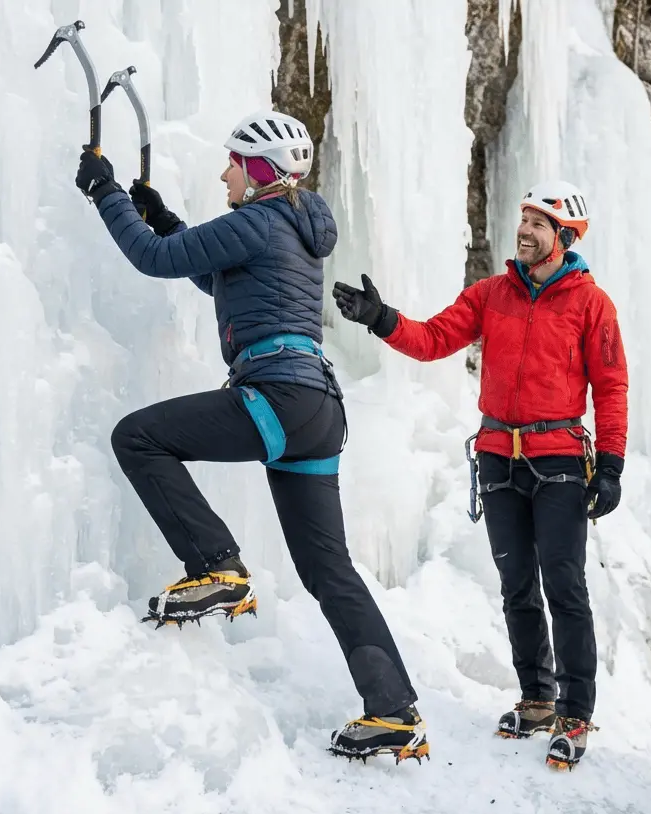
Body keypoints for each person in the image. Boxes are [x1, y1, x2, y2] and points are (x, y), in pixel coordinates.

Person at [72, 110, 427, 763]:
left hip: (278, 398)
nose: (222, 172)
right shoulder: (287, 226)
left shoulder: (258, 219)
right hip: (317, 411)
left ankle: (217, 567)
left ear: (259, 170)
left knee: (137, 438)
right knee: (329, 569)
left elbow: (154, 261)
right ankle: (394, 711)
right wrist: (166, 218)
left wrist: (107, 194)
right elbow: (211, 271)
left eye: (232, 162)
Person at [331, 181, 627, 770]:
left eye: (538, 223)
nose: (524, 230)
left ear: (565, 238)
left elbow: (612, 385)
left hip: (561, 459)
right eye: (522, 219)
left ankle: (575, 713)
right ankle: (538, 698)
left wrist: (612, 463)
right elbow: (435, 338)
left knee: (564, 587)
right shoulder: (493, 293)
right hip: (497, 455)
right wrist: (381, 319)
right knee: (517, 584)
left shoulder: (592, 305)